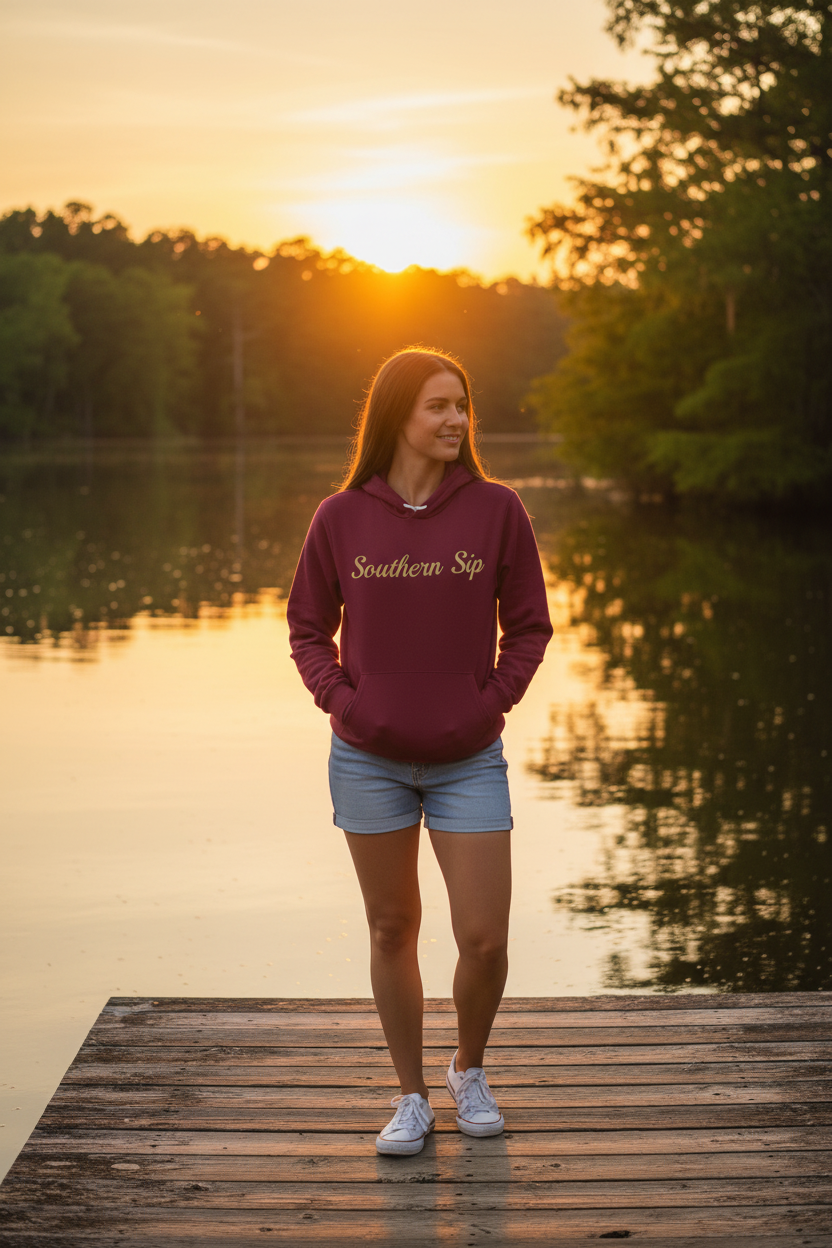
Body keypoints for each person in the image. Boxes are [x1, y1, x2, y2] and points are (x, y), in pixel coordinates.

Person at [287, 347, 552, 1156]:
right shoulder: (340, 518)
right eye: (439, 405)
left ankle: (467, 1070)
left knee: (485, 939)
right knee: (391, 928)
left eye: (463, 405)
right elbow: (306, 630)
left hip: (469, 756)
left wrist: (489, 700)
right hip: (367, 759)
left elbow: (530, 626)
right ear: (398, 414)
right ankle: (409, 1097)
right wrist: (345, 700)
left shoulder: (497, 509)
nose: (456, 421)